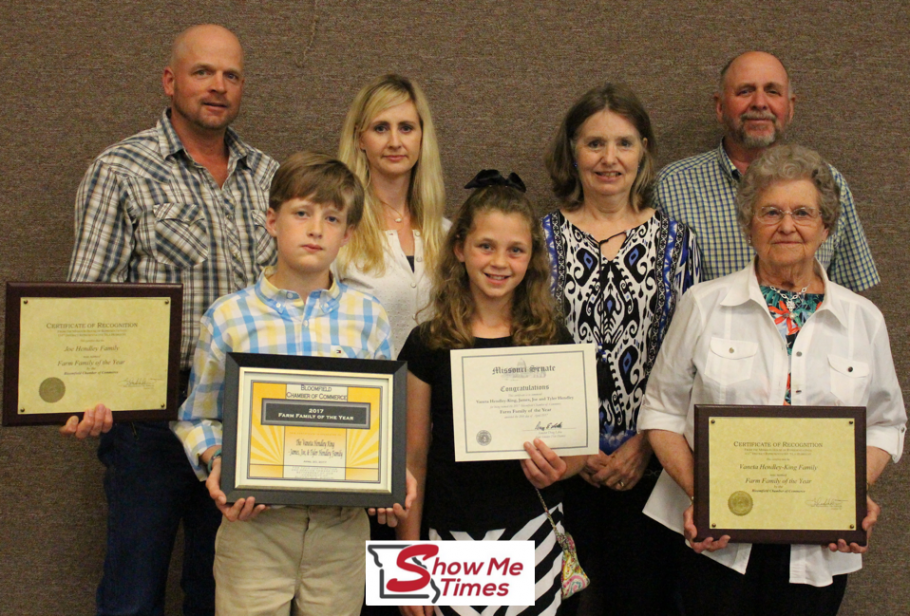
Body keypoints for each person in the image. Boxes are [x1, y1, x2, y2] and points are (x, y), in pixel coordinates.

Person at [640, 144, 906, 616]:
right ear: (748, 225)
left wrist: (848, 492)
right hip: (714, 541)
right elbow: (660, 411)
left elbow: (886, 424)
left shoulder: (863, 319)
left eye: (803, 212)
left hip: (818, 546)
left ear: (826, 226)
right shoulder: (703, 305)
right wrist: (705, 496)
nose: (787, 226)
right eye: (771, 212)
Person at [64, 24, 276, 616]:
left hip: (246, 411)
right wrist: (84, 393)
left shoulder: (269, 177)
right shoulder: (121, 170)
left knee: (223, 587)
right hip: (149, 414)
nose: (218, 87)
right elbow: (88, 301)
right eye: (203, 72)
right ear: (170, 80)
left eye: (231, 75)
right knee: (134, 585)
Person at [173, 152, 412, 616]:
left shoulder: (368, 318)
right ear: (272, 220)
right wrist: (221, 460)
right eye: (301, 213)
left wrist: (392, 472)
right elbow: (197, 417)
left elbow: (382, 422)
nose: (316, 229)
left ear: (348, 234)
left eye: (332, 218)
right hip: (256, 528)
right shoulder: (228, 316)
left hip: (341, 534)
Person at [542, 83, 700, 615]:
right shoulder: (538, 240)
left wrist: (646, 446)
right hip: (558, 468)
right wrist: (580, 446)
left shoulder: (679, 243)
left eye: (624, 144)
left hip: (651, 468)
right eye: (594, 144)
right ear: (572, 152)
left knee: (645, 603)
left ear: (644, 151)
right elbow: (524, 354)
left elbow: (690, 363)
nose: (609, 159)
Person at [396, 172, 586, 615]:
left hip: (533, 531)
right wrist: (409, 568)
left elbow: (580, 450)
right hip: (450, 538)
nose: (499, 261)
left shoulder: (553, 339)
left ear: (531, 259)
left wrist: (561, 468)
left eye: (515, 250)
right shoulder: (427, 342)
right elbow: (413, 458)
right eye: (486, 246)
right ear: (460, 248)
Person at [654, 51, 879, 292]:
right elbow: (660, 299)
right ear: (720, 107)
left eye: (772, 91)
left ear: (790, 107)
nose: (760, 103)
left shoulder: (828, 182)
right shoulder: (673, 186)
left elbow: (850, 299)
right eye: (745, 91)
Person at [336, 73, 448, 354]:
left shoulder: (447, 234)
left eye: (407, 128)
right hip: (365, 392)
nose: (395, 141)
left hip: (436, 393)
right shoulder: (338, 233)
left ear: (422, 137)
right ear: (360, 138)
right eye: (381, 128)